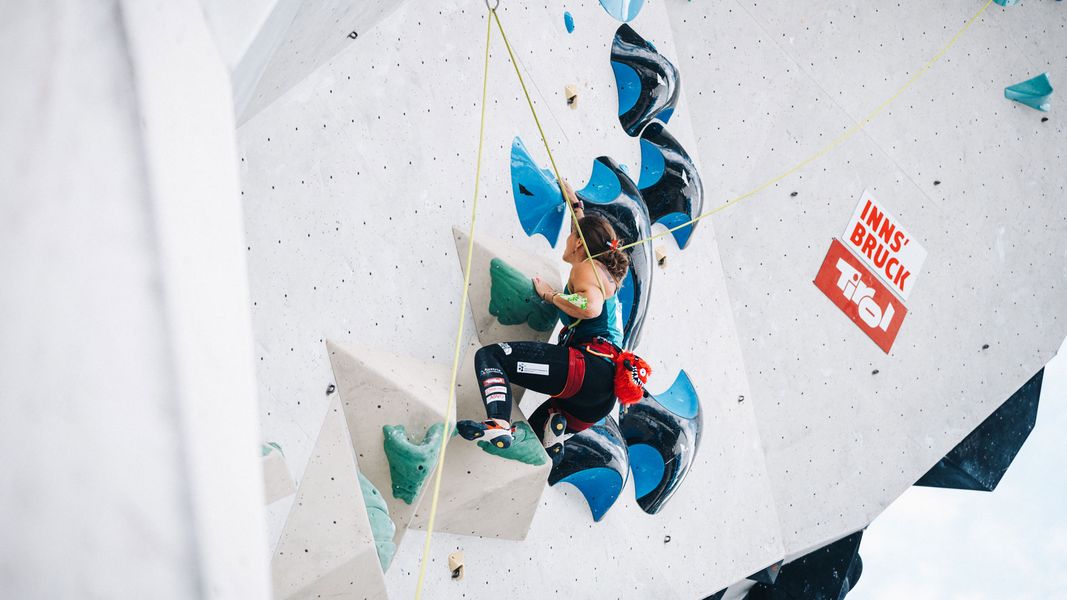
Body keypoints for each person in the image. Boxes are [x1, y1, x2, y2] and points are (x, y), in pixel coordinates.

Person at [456, 181, 630, 464]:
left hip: (587, 370)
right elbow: (586, 233)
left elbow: (590, 306)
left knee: (492, 357)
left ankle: (498, 422)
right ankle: (553, 436)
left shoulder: (586, 267)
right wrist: (576, 206)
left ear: (578, 245)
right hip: (597, 401)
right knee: (534, 439)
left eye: (572, 236)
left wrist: (551, 296)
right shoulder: (603, 272)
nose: (568, 239)